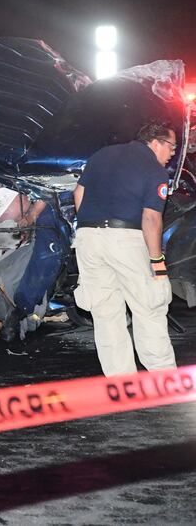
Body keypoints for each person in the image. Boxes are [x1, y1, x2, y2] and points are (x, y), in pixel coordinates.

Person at [73, 120, 178, 376]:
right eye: (172, 147)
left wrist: (93, 226)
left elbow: (78, 192)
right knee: (149, 306)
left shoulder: (101, 154)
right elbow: (151, 219)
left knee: (106, 313)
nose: (173, 154)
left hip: (88, 238)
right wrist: (157, 263)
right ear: (156, 143)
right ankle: (164, 378)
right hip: (125, 238)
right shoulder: (153, 169)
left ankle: (121, 382)